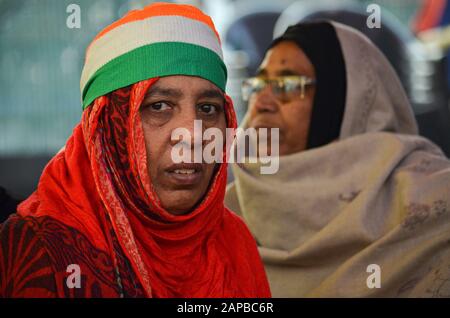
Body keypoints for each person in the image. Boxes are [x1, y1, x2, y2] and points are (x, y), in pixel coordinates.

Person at [0, 3, 270, 298]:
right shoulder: (38, 252)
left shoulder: (234, 243)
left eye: (208, 108)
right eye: (159, 106)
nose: (193, 135)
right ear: (107, 126)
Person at [225, 21, 450, 297]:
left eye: (287, 84)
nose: (262, 103)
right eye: (258, 85)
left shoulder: (430, 198)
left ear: (342, 100)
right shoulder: (226, 214)